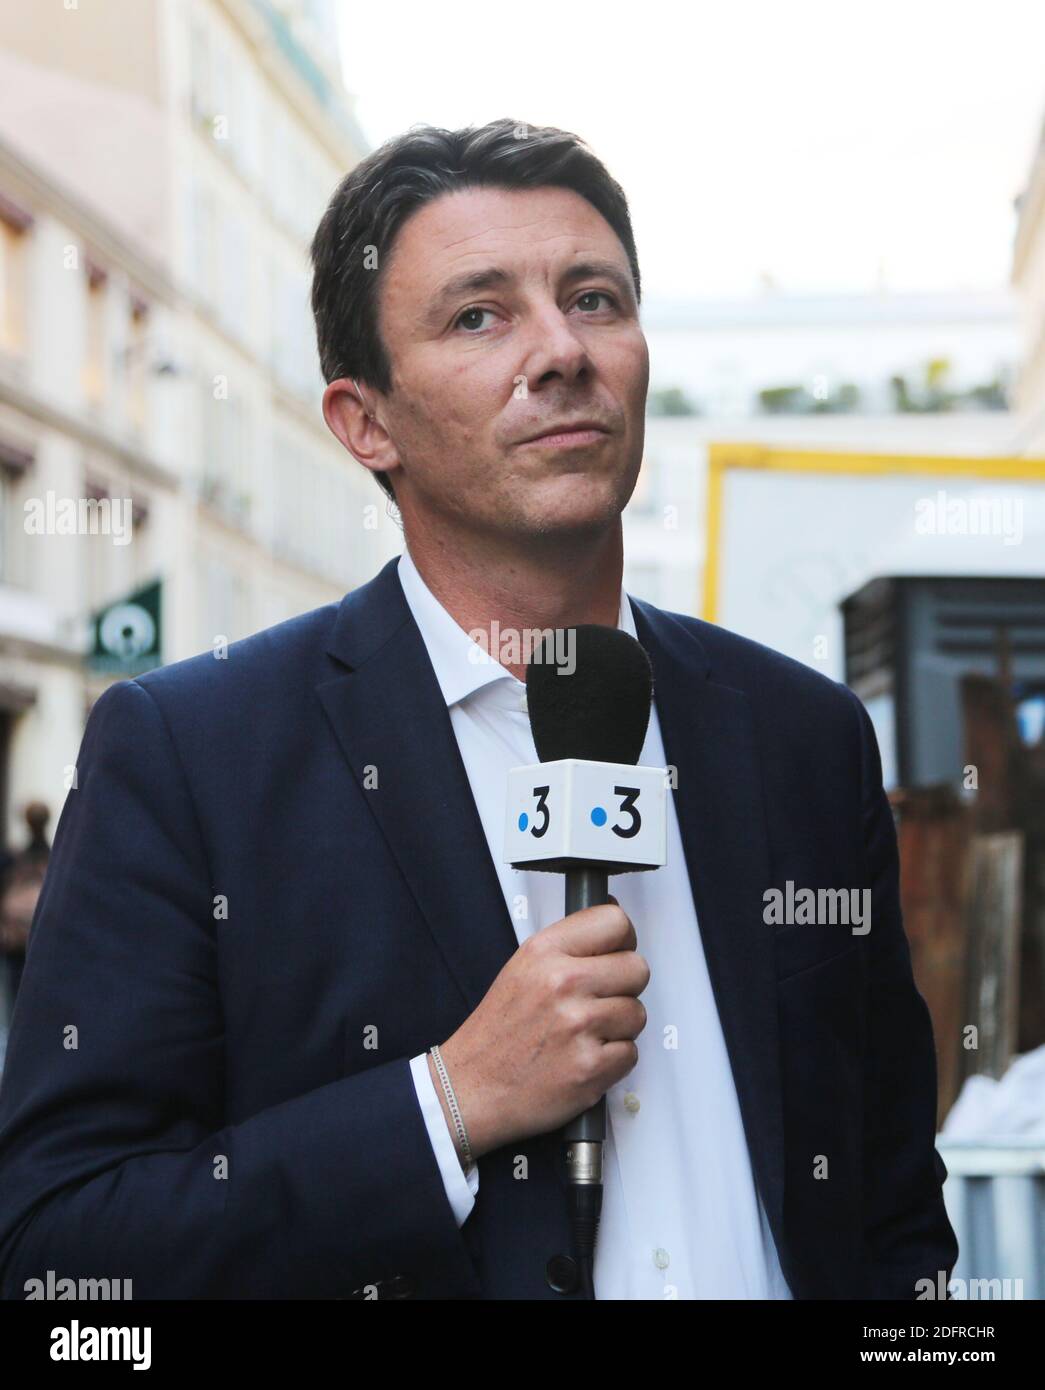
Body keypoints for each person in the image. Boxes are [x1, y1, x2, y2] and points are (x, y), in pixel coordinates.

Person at [0, 119, 958, 1300]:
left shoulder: (802, 738)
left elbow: (893, 1208)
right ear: (366, 423)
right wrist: (444, 1102)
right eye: (478, 315)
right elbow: (60, 1248)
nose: (561, 350)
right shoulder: (195, 754)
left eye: (594, 298)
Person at [0, 802, 50, 1026]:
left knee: (13, 999)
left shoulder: (13, 858)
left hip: (15, 940)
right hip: (43, 938)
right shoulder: (56, 857)